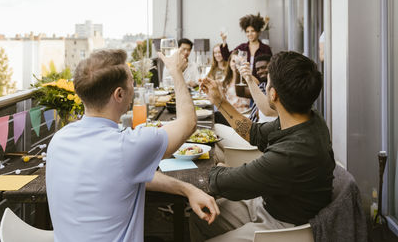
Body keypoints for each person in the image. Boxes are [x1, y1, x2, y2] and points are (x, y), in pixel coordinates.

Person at [46, 49, 219, 242]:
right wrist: (176, 72)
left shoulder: (58, 140)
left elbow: (123, 175)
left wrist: (187, 189)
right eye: (132, 83)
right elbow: (188, 123)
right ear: (119, 94)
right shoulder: (127, 146)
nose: (134, 88)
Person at [192, 51, 336, 242]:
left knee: (205, 211)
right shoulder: (307, 118)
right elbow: (255, 134)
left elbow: (224, 182)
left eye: (267, 82)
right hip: (270, 202)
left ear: (273, 94)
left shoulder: (291, 153)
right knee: (200, 215)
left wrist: (221, 169)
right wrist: (220, 101)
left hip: (284, 226)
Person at [220, 13, 272, 81]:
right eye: (247, 31)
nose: (250, 34)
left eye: (252, 31)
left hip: (260, 83)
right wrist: (224, 41)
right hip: (244, 82)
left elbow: (271, 68)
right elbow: (227, 57)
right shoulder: (242, 48)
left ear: (258, 32)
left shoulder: (265, 49)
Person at [236, 54, 278, 122]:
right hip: (249, 122)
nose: (260, 71)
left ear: (271, 67)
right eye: (258, 69)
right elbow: (240, 92)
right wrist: (238, 72)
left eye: (263, 67)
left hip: (257, 128)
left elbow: (268, 112)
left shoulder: (277, 88)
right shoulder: (261, 86)